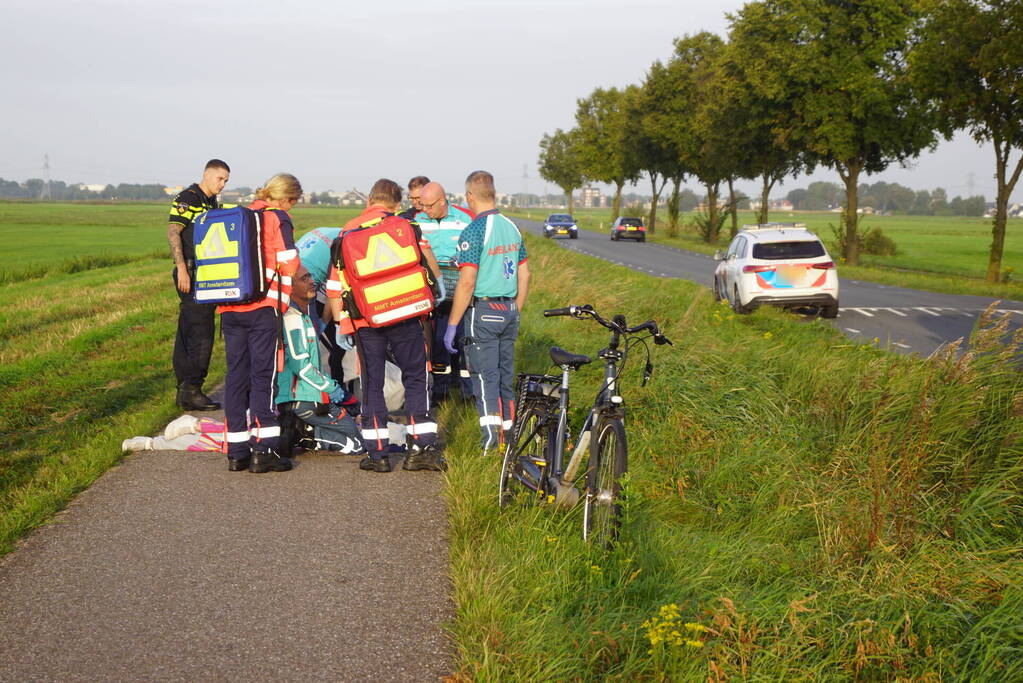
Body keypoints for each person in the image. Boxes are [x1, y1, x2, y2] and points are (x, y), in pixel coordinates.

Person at [326, 178, 445, 473]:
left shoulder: (348, 230)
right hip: (406, 315)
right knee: (416, 379)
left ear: (369, 200)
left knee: (372, 384)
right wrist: (437, 288)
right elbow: (428, 264)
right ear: (396, 203)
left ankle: (377, 455)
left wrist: (343, 322)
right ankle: (421, 450)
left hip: (366, 321)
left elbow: (334, 285)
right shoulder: (406, 226)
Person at [219, 173, 302, 473]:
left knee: (236, 376)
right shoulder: (277, 218)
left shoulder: (239, 215)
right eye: (294, 202)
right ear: (286, 199)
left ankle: (236, 452)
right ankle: (264, 451)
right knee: (263, 376)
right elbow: (290, 263)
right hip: (263, 307)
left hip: (229, 305)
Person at [445, 171, 530, 454]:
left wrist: (452, 324)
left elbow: (467, 281)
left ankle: (491, 442)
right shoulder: (512, 227)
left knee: (483, 377)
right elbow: (525, 275)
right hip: (508, 308)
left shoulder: (474, 230)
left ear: (470, 196)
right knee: (506, 375)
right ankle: (509, 438)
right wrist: (514, 310)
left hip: (483, 310)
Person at [277, 265, 362, 455]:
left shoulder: (303, 316)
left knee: (355, 423)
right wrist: (331, 389)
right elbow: (301, 366)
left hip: (309, 396)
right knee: (357, 443)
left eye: (310, 276)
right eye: (304, 278)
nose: (311, 281)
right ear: (289, 287)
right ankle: (302, 433)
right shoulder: (292, 318)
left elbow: (313, 366)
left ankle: (301, 428)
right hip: (304, 399)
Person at [166, 159, 230, 411]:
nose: (222, 184)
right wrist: (182, 269)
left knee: (192, 330)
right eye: (220, 179)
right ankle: (192, 390)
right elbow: (173, 233)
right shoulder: (189, 197)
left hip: (205, 274)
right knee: (199, 333)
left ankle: (186, 390)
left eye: (226, 180)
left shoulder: (210, 201)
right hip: (191, 273)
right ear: (207, 175)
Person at [414, 181, 475, 402]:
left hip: (460, 286)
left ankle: (469, 392)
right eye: (422, 205)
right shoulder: (418, 221)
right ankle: (441, 391)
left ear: (442, 201)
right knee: (438, 340)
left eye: (429, 205)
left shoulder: (464, 220)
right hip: (432, 288)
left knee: (464, 338)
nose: (425, 210)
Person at [295, 226, 344, 379]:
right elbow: (334, 292)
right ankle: (329, 389)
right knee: (314, 343)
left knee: (294, 342)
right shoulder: (345, 245)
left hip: (285, 281)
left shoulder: (326, 231)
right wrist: (323, 320)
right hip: (305, 288)